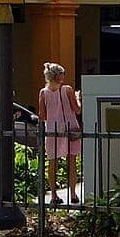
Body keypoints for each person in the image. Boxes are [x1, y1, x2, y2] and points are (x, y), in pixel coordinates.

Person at [38, 62, 82, 198]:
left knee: (52, 163)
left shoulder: (43, 92)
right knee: (72, 162)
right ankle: (73, 194)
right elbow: (77, 110)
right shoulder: (67, 90)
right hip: (70, 128)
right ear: (58, 76)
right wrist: (78, 98)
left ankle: (53, 195)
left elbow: (42, 115)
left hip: (52, 129)